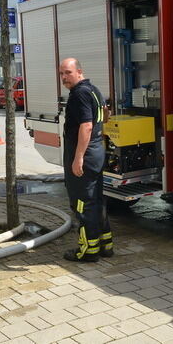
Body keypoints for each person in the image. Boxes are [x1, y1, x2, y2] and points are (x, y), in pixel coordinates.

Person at [58, 57, 112, 262]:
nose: (64, 77)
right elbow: (105, 115)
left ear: (79, 71)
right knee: (96, 200)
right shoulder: (94, 90)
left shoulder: (79, 94)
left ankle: (88, 251)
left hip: (85, 155)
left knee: (82, 204)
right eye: (61, 73)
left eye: (68, 72)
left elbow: (87, 126)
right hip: (96, 152)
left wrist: (78, 157)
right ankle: (105, 245)